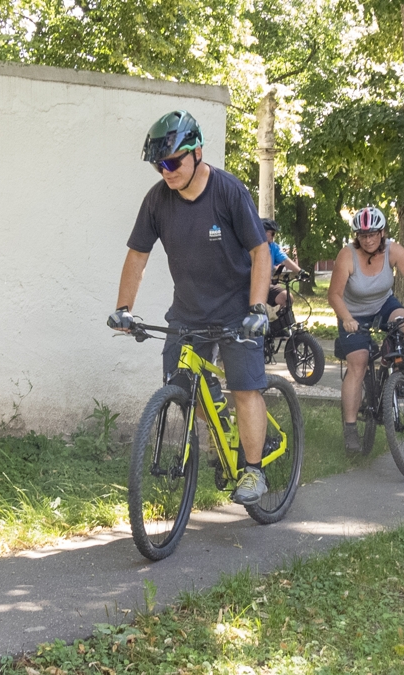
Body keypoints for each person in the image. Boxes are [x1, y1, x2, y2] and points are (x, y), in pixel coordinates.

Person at [107, 110, 273, 505]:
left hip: (237, 311)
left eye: (172, 161)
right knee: (182, 387)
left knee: (245, 389)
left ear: (197, 152)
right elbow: (137, 256)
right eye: (158, 164)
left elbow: (260, 251)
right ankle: (218, 433)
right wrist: (123, 309)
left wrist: (258, 307)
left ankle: (253, 471)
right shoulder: (157, 201)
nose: (165, 171)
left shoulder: (229, 192)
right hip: (187, 313)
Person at [328, 206, 404, 452]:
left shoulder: (393, 249)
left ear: (382, 233)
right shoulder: (347, 255)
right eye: (363, 234)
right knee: (357, 363)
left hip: (383, 305)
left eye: (373, 234)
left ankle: (396, 373)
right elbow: (334, 295)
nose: (368, 239)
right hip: (352, 312)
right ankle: (350, 429)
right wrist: (346, 318)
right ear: (357, 235)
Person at [262, 219, 308, 309]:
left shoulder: (273, 247)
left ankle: (282, 323)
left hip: (265, 285)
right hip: (246, 286)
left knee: (286, 298)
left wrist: (301, 272)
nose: (274, 236)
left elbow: (285, 260)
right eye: (272, 233)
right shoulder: (249, 246)